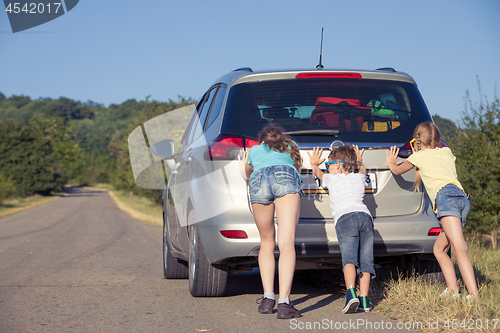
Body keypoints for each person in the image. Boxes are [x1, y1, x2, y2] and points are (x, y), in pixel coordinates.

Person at [386, 121, 478, 299]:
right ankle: (453, 290)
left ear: (417, 141)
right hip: (462, 200)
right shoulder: (447, 151)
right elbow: (435, 156)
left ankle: (474, 295)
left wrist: (391, 162)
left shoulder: (417, 157)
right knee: (439, 249)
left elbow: (397, 170)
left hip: (446, 199)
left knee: (459, 248)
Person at [239, 125, 302, 319]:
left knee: (266, 241)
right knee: (286, 243)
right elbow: (297, 167)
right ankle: (284, 302)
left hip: (259, 181)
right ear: (282, 138)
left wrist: (247, 158)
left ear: (262, 140)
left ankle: (267, 298)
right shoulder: (291, 146)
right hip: (285, 177)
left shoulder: (255, 150)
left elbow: (245, 173)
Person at [308, 145, 375, 314]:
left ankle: (351, 292)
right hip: (365, 218)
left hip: (345, 219)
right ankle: (365, 300)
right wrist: (359, 160)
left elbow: (317, 172)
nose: (327, 167)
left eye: (328, 164)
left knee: (350, 259)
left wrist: (315, 163)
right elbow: (363, 170)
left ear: (337, 165)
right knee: (366, 261)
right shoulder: (358, 178)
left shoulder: (331, 178)